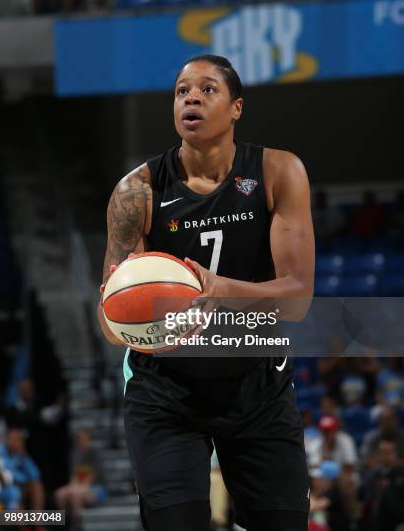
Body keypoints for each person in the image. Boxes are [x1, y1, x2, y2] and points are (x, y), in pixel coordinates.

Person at [98, 55, 315, 531]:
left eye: (206, 89)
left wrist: (220, 291)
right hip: (166, 391)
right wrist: (140, 325)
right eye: (181, 91)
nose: (191, 97)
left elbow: (297, 299)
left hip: (256, 382)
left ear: (237, 107)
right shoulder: (137, 191)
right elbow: (110, 319)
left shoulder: (279, 171)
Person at [54, 429, 106, 531]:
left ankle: (76, 526)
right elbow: (74, 475)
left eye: (85, 440)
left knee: (76, 494)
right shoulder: (75, 454)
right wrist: (72, 487)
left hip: (96, 488)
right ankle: (65, 524)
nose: (83, 443)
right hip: (79, 486)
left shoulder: (95, 453)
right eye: (81, 440)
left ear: (89, 440)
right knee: (60, 494)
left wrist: (78, 488)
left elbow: (94, 475)